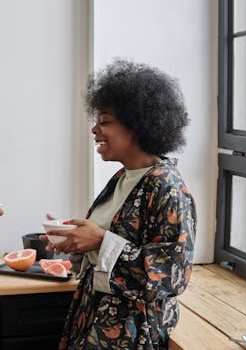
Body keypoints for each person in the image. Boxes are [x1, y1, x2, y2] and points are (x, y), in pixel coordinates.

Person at [46, 59, 196, 350]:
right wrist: (77, 242)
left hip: (132, 334)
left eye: (104, 122)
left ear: (137, 125)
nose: (94, 130)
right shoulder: (123, 177)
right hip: (95, 321)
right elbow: (110, 247)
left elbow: (173, 275)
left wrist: (100, 242)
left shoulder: (167, 187)